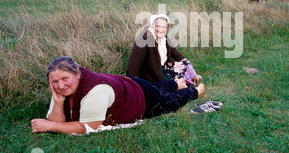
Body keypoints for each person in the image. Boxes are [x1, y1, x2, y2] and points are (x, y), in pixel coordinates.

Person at [31, 56, 205, 134]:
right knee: (156, 88)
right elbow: (56, 120)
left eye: (65, 78)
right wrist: (59, 102)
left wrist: (49, 126)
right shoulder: (62, 90)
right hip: (125, 86)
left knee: (170, 101)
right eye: (54, 82)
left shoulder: (94, 91)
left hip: (138, 96)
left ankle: (196, 90)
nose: (60, 86)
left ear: (77, 74)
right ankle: (177, 83)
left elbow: (88, 126)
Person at [125, 14, 200, 90]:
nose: (161, 30)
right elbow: (133, 65)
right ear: (152, 25)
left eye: (164, 27)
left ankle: (184, 81)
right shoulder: (144, 39)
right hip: (151, 74)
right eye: (158, 26)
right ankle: (177, 84)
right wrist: (134, 85)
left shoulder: (164, 38)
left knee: (185, 66)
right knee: (170, 88)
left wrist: (192, 70)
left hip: (165, 69)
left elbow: (177, 55)